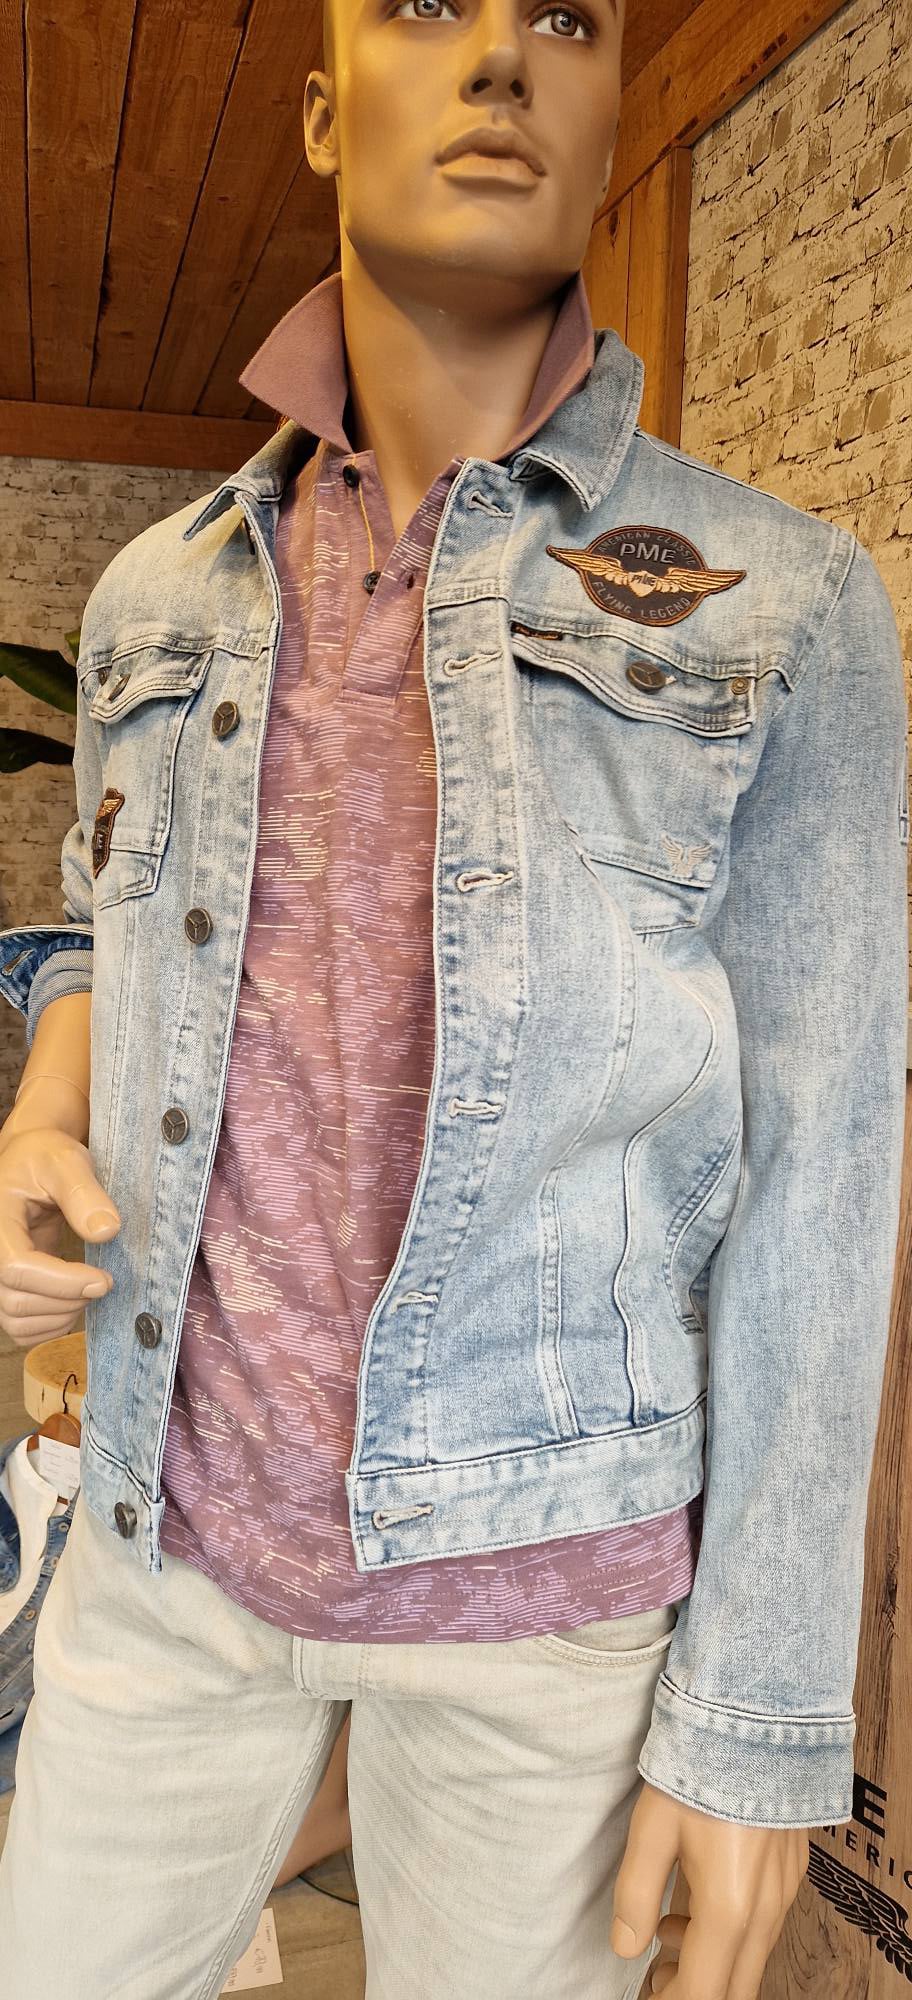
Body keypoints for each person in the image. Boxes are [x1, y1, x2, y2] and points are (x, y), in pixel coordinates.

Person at [0, 0, 907, 1989]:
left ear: (608, 117)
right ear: (326, 113)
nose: (503, 55)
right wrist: (42, 1111)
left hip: (545, 1597)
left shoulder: (784, 604)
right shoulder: (157, 596)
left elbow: (825, 1175)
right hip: (169, 1541)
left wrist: (757, 1713)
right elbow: (94, 927)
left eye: (567, 17)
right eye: (427, 3)